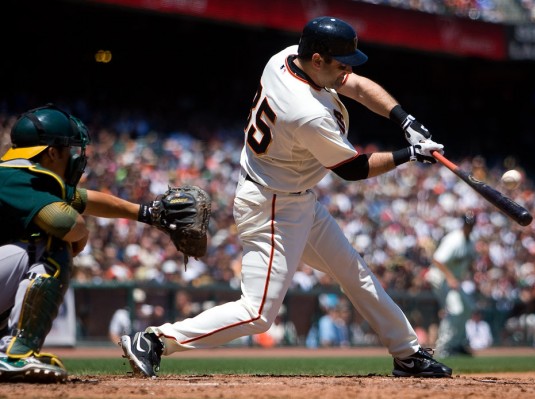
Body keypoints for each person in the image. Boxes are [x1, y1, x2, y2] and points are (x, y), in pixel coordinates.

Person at [120, 16, 451, 378]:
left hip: (293, 196)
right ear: (318, 60)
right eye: (339, 63)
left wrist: (403, 119)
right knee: (258, 313)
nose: (346, 72)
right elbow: (352, 169)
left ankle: (408, 354)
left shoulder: (289, 56)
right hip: (272, 206)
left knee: (354, 274)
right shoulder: (306, 112)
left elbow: (352, 84)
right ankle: (154, 340)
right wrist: (410, 155)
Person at [0, 104, 175, 382]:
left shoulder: (16, 175)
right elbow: (65, 224)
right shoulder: (19, 177)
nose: (73, 157)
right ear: (52, 152)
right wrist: (82, 235)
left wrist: (147, 213)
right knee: (53, 244)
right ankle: (15, 354)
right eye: (68, 149)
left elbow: (87, 200)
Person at [426, 212, 477, 357]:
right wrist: (450, 278)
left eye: (471, 224)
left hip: (453, 280)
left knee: (468, 308)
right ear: (463, 224)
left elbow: (468, 261)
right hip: (440, 278)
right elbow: (437, 259)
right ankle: (444, 347)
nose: (469, 227)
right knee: (455, 310)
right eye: (468, 224)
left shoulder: (470, 240)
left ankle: (457, 343)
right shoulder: (454, 239)